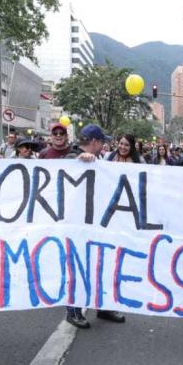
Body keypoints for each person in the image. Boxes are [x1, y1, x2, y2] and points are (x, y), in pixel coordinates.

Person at [61, 124, 126, 329]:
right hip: (77, 226)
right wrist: (81, 159)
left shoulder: (98, 161)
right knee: (77, 265)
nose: (103, 146)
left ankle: (103, 306)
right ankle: (72, 311)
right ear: (94, 142)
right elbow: (68, 169)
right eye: (102, 142)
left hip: (97, 224)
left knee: (101, 263)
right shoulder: (73, 158)